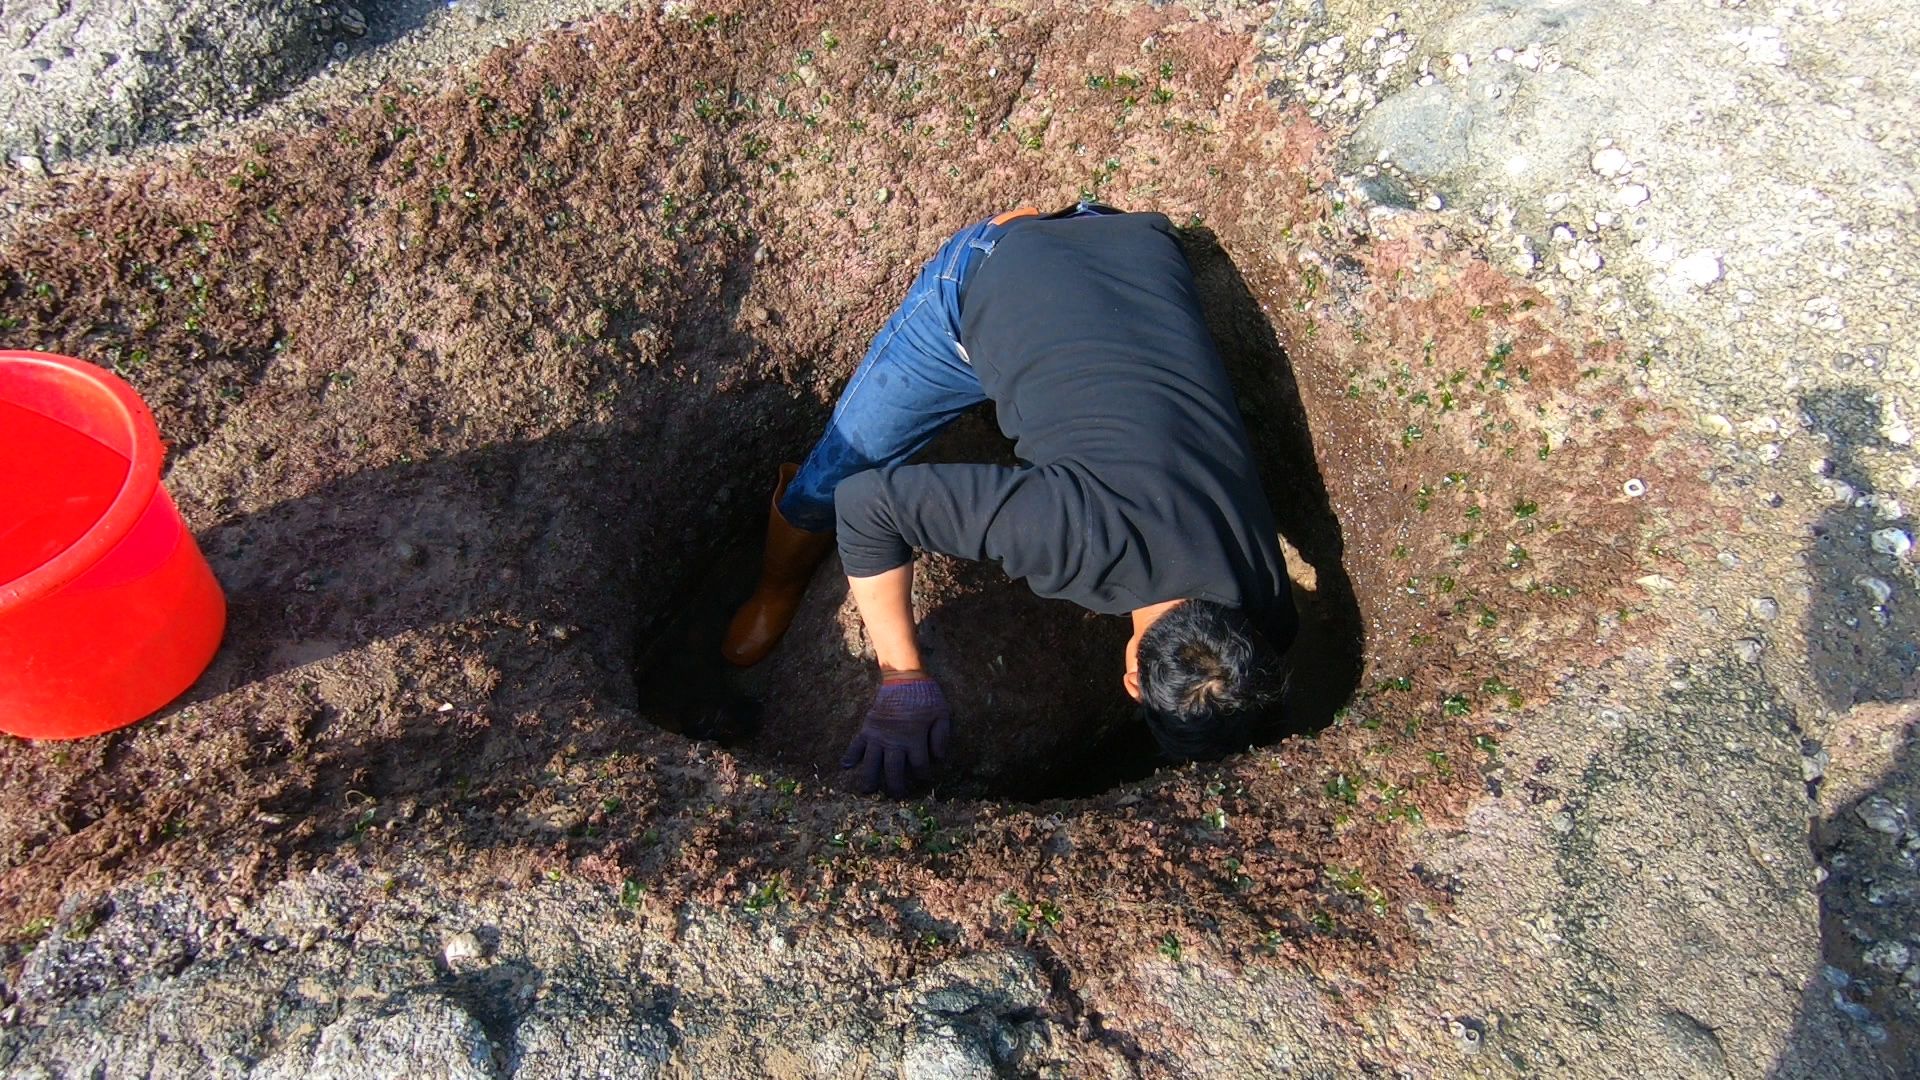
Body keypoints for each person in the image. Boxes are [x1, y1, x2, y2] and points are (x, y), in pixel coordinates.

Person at [722, 202, 1297, 796]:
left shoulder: (1268, 612)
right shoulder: (1084, 539)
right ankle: (776, 584)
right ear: (1131, 682)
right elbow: (869, 505)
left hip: (1133, 251)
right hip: (997, 271)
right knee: (830, 483)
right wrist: (902, 676)